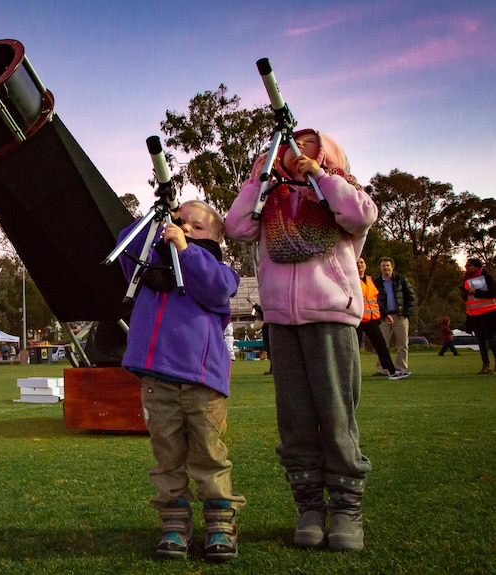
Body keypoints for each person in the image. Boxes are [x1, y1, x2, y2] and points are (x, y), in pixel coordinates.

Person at [227, 128, 377, 551]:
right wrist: (258, 180)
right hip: (282, 321)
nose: (296, 150)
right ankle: (309, 507)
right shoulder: (269, 200)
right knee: (294, 421)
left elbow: (363, 216)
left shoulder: (339, 194)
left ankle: (347, 509)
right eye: (287, 146)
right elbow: (236, 226)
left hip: (330, 317)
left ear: (326, 153)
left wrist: (322, 178)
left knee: (336, 417)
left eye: (307, 145)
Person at [118, 199, 245, 562]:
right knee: (167, 456)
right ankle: (174, 524)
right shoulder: (151, 264)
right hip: (157, 381)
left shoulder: (219, 270)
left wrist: (185, 249)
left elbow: (215, 286)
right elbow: (126, 246)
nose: (185, 228)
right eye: (180, 221)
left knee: (208, 454)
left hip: (202, 384)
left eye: (196, 226)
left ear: (216, 240)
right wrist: (155, 217)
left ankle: (221, 524)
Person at [356, 257, 410, 380]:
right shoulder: (351, 279)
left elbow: (375, 300)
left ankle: (392, 371)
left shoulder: (370, 280)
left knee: (381, 345)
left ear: (366, 265)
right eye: (357, 263)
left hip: (370, 318)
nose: (360, 265)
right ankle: (351, 374)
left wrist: (385, 315)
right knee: (355, 348)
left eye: (362, 262)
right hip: (357, 319)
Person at [375, 257, 415, 376]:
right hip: (384, 317)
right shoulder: (376, 283)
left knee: (402, 344)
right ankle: (382, 369)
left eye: (388, 265)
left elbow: (410, 296)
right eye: (383, 266)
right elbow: (374, 300)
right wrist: (382, 314)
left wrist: (406, 313)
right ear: (380, 268)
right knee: (382, 344)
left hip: (399, 316)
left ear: (392, 267)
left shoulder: (401, 280)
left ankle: (401, 368)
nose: (385, 268)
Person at [461, 258, 496, 373]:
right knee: (481, 341)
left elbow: (492, 293)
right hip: (475, 314)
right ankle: (486, 365)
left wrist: (476, 292)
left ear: (477, 267)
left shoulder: (487, 278)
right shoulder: (466, 279)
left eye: (469, 265)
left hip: (489, 313)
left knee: (492, 339)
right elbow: (467, 297)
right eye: (466, 266)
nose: (467, 268)